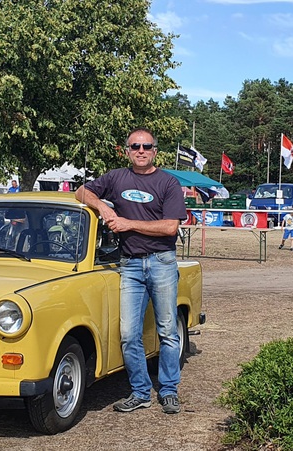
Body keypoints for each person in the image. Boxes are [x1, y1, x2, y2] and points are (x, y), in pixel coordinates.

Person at [75, 127, 187, 415]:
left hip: (162, 262)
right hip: (130, 264)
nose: (141, 151)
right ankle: (140, 392)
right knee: (128, 333)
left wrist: (128, 224)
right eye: (135, 146)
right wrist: (103, 208)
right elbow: (81, 191)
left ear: (155, 151)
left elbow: (170, 227)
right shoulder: (116, 178)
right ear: (127, 151)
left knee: (167, 331)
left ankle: (169, 390)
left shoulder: (168, 183)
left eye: (146, 146)